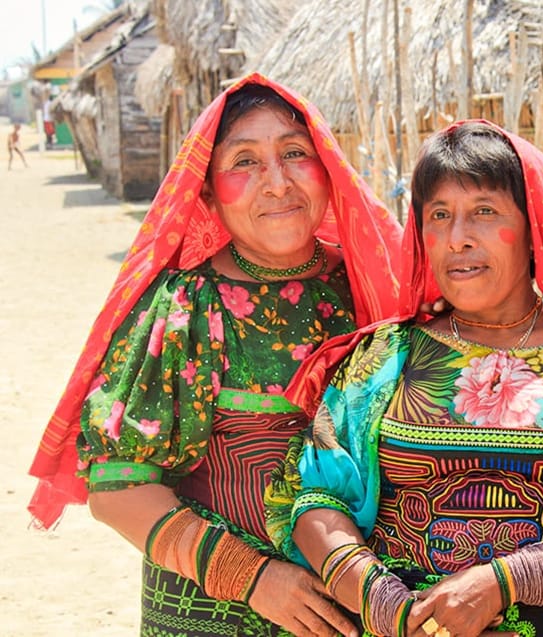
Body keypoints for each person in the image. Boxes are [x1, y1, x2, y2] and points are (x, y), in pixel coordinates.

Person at [265, 120, 543, 637]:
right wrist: (391, 609)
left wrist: (500, 584)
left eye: (484, 212)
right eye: (439, 215)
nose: (457, 238)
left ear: (535, 224)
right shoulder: (387, 357)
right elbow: (317, 498)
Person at [27, 73, 404, 637]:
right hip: (213, 614)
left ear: (328, 168)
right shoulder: (186, 306)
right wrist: (253, 578)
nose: (276, 182)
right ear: (205, 192)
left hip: (369, 611)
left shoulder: (380, 287)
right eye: (244, 162)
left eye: (295, 153)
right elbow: (117, 487)